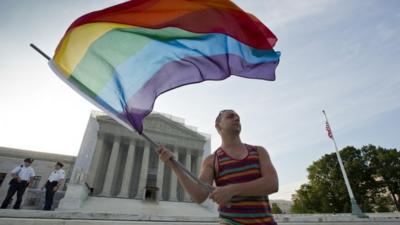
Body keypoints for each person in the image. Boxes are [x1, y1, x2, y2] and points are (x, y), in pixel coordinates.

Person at [158, 109, 279, 225]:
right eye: (230, 116)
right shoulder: (212, 160)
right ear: (218, 126)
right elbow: (199, 196)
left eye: (238, 117)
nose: (236, 118)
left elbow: (272, 184)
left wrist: (232, 190)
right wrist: (174, 166)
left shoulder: (259, 152)